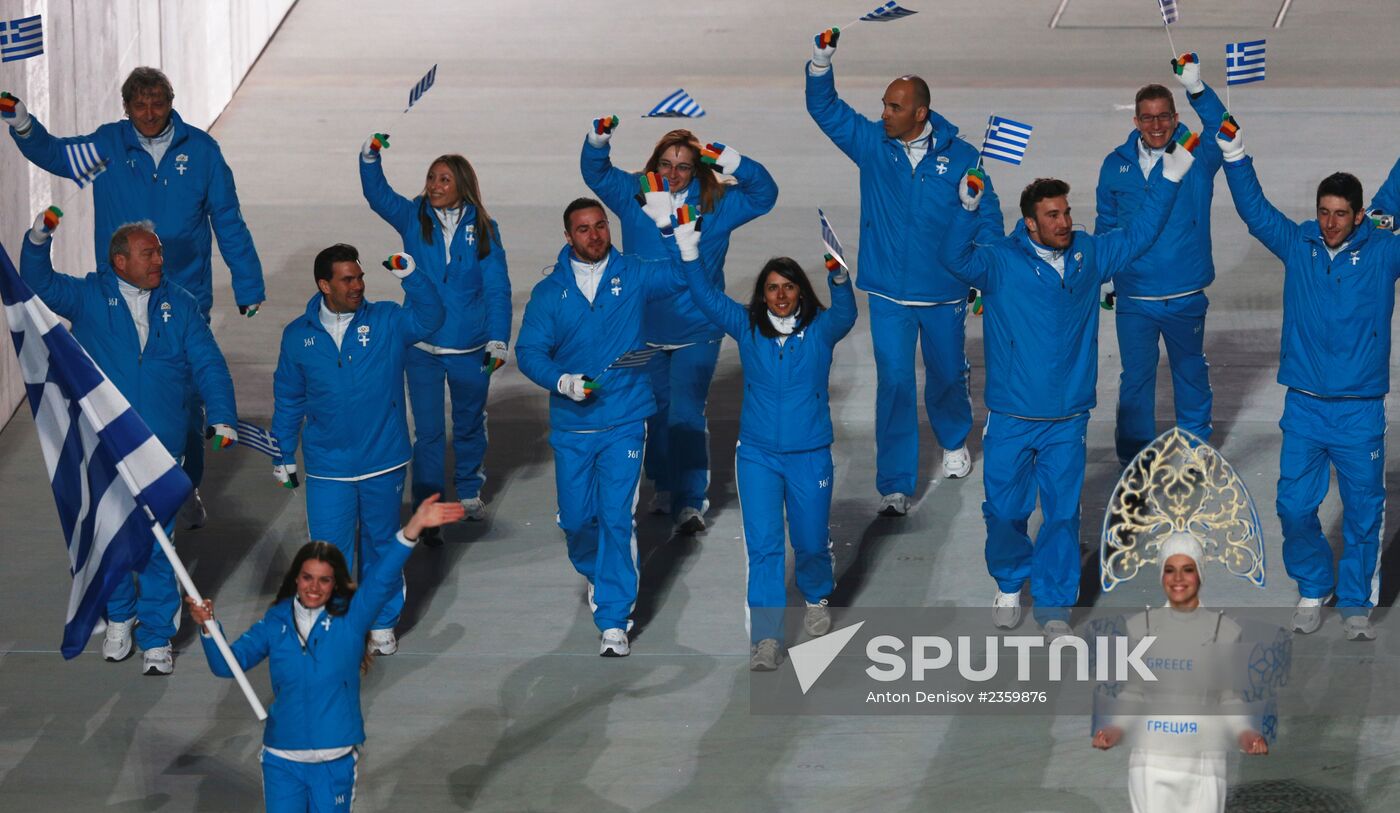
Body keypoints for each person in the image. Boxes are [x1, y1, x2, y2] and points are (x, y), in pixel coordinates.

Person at [940, 141, 1196, 633]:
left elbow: (1141, 232)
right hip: (1012, 415)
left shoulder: (1091, 255)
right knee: (1006, 511)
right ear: (1030, 224)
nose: (1063, 222)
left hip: (1068, 417)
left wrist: (1172, 178)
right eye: (1052, 215)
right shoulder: (997, 262)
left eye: (1067, 213)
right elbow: (953, 257)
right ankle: (1010, 583)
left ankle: (1055, 606)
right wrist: (965, 208)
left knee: (1061, 516)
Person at [3, 69, 265, 525]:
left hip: (184, 299)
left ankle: (183, 488)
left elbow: (228, 218)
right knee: (119, 398)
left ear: (171, 102)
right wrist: (23, 123)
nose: (149, 114)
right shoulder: (108, 147)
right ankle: (118, 500)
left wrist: (248, 285)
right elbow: (55, 154)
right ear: (125, 108)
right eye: (139, 106)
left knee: (181, 405)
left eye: (158, 104)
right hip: (114, 301)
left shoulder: (202, 152)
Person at [20, 211, 238, 675]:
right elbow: (36, 282)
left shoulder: (180, 305)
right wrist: (39, 237)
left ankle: (157, 637)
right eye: (148, 252)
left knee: (159, 544)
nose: (159, 259)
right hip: (103, 447)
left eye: (158, 251)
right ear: (119, 262)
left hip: (160, 449)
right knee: (112, 536)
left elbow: (209, 364)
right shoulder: (86, 297)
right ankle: (119, 616)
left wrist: (221, 416)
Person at [805, 26, 1004, 516]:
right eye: (883, 105)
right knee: (894, 384)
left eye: (894, 108)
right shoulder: (873, 144)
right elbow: (826, 111)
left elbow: (989, 218)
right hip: (890, 294)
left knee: (945, 377)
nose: (884, 114)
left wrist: (985, 275)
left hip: (944, 293)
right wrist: (820, 64)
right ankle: (895, 482)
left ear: (921, 112)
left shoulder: (963, 158)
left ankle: (955, 439)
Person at [1217, 117, 1400, 640]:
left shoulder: (1386, 251)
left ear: (1359, 214)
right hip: (1304, 406)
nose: (1330, 222)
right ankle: (1313, 585)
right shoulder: (1299, 245)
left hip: (1360, 409)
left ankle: (1357, 599)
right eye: (1323, 212)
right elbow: (1255, 212)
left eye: (1341, 214)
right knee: (1293, 507)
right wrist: (1234, 154)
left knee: (1364, 513)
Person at [186, 495, 465, 813]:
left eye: (324, 580)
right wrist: (209, 628)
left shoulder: (353, 618)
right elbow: (226, 666)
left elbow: (382, 577)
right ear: (296, 579)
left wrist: (413, 527)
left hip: (334, 761)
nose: (314, 587)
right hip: (281, 759)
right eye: (307, 577)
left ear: (335, 585)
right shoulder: (273, 623)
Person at [514, 198, 699, 656]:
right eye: (583, 229)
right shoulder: (548, 294)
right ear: (568, 236)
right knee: (578, 520)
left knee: (617, 517)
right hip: (573, 426)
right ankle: (597, 570)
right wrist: (563, 381)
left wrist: (670, 230)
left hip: (625, 419)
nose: (594, 236)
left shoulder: (633, 273)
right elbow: (530, 352)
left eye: (600, 227)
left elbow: (680, 276)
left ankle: (614, 620)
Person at [580, 119, 778, 533]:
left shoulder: (717, 203)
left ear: (697, 171)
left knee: (686, 413)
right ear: (654, 165)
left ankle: (690, 500)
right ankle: (663, 484)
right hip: (643, 329)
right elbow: (595, 172)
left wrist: (731, 160)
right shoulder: (635, 194)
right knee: (653, 412)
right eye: (666, 164)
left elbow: (765, 194)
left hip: (696, 329)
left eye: (684, 166)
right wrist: (598, 140)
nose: (673, 173)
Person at [683, 252, 856, 670]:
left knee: (811, 541)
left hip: (810, 454)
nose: (781, 295)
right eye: (773, 287)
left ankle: (815, 594)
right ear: (762, 295)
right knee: (764, 547)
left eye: (789, 286)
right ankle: (766, 638)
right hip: (758, 455)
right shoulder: (746, 327)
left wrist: (837, 278)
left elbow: (847, 313)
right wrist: (689, 252)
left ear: (801, 291)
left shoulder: (820, 329)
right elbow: (705, 296)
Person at [270, 245, 444, 657]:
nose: (358, 286)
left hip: (383, 459)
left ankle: (383, 621)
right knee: (330, 554)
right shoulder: (298, 336)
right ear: (324, 284)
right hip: (328, 465)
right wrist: (282, 453)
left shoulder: (386, 319)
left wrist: (412, 276)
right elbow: (289, 398)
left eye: (361, 277)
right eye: (348, 279)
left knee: (383, 544)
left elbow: (431, 318)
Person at [360, 134, 511, 537]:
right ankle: (428, 506)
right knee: (426, 431)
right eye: (431, 178)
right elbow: (378, 196)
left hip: (469, 346)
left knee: (467, 422)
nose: (434, 186)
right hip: (421, 347)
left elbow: (497, 287)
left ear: (462, 185)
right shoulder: (412, 216)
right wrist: (370, 156)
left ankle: (467, 488)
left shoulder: (483, 228)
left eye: (444, 180)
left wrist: (499, 338)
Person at [1095, 54, 1227, 466]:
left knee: (1190, 372)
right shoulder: (1115, 165)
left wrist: (1198, 89)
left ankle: (1195, 447)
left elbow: (1225, 127)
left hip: (1185, 292)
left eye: (1164, 117)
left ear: (1175, 116)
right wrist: (1104, 275)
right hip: (1135, 296)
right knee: (1135, 379)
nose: (1156, 126)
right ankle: (1135, 456)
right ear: (1136, 120)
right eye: (1148, 118)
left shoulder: (1199, 154)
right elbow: (1106, 223)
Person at [1092, 533, 1270, 813]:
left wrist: (1244, 734)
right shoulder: (1140, 628)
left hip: (1204, 762)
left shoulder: (1225, 631)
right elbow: (1133, 692)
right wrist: (1116, 730)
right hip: (1151, 762)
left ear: (1200, 574)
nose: (1178, 579)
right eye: (1170, 570)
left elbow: (1228, 697)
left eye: (1187, 569)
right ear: (1161, 575)